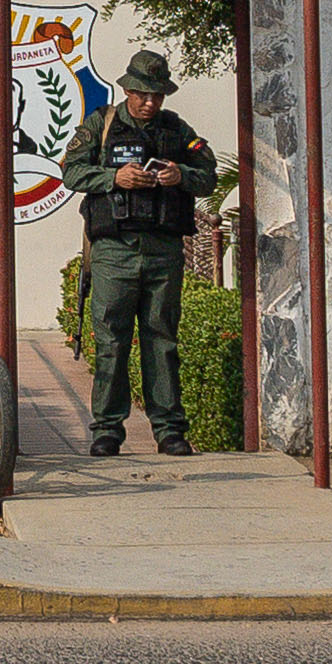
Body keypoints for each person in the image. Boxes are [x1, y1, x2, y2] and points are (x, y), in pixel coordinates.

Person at [61, 49, 218, 456]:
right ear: (127, 89)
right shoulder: (101, 124)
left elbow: (208, 177)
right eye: (143, 94)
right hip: (114, 250)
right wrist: (114, 177)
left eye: (157, 95)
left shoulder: (177, 130)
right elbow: (71, 171)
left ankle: (168, 429)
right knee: (112, 340)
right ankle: (108, 430)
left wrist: (180, 174)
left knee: (161, 340)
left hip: (163, 250)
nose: (150, 102)